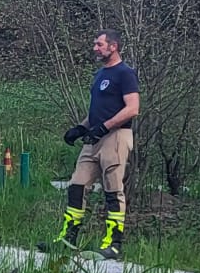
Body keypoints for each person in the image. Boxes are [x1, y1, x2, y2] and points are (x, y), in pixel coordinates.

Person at [47, 29, 140, 258]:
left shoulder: (124, 73)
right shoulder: (100, 75)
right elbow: (97, 111)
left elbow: (132, 108)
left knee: (112, 189)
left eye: (99, 44)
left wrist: (105, 127)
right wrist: (81, 128)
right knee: (77, 185)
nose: (95, 48)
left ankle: (113, 243)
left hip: (116, 137)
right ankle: (68, 238)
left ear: (113, 46)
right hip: (94, 138)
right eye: (95, 44)